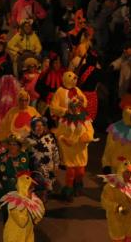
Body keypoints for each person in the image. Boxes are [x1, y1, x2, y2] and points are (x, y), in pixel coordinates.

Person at [50, 72, 94, 201]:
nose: (74, 80)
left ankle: (78, 184)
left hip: (79, 145)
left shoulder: (77, 92)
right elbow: (53, 107)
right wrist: (65, 111)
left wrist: (87, 136)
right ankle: (68, 189)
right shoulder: (59, 91)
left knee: (80, 171)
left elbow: (84, 101)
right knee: (70, 171)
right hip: (67, 128)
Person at [99, 157, 131, 242]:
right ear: (121, 172)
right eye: (127, 172)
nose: (129, 175)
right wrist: (117, 207)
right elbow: (104, 202)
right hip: (116, 219)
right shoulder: (110, 187)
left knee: (129, 239)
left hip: (130, 218)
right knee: (118, 239)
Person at [0, 134, 31, 223]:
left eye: (14, 144)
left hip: (20, 191)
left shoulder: (26, 157)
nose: (12, 147)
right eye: (10, 144)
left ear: (19, 146)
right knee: (6, 214)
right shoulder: (1, 158)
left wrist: (30, 189)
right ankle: (8, 233)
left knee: (19, 214)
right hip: (4, 189)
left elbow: (31, 175)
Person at [0, 171, 45, 242]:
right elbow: (22, 221)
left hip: (28, 235)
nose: (33, 190)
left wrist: (35, 204)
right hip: (15, 237)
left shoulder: (31, 200)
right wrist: (26, 204)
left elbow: (37, 218)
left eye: (33, 188)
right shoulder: (15, 203)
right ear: (24, 188)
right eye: (30, 188)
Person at [26, 117, 60, 202]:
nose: (40, 127)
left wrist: (56, 164)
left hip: (47, 168)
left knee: (45, 188)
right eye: (37, 125)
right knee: (33, 188)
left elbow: (55, 151)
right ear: (33, 127)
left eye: (41, 125)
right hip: (33, 168)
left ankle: (43, 198)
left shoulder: (50, 138)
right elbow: (24, 154)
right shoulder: (28, 139)